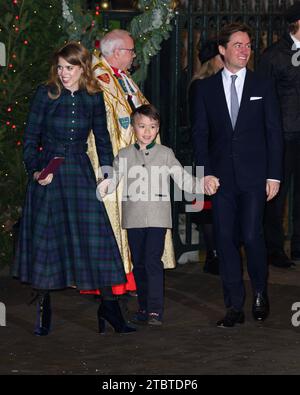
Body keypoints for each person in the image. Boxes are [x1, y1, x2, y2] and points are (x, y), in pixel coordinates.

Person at [12, 42, 136, 336]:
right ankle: (44, 307)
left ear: (83, 68)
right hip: (50, 170)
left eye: (69, 68)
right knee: (47, 239)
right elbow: (30, 139)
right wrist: (36, 170)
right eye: (60, 68)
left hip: (80, 169)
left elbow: (103, 138)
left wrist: (106, 173)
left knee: (97, 239)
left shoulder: (93, 97)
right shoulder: (46, 94)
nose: (63, 73)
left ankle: (109, 307)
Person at [191, 23, 283, 327]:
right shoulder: (205, 89)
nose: (245, 51)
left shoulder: (263, 85)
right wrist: (204, 173)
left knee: (251, 235)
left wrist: (274, 175)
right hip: (221, 179)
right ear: (222, 50)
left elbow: (274, 132)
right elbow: (200, 134)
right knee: (225, 239)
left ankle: (259, 291)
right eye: (238, 45)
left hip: (256, 176)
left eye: (248, 45)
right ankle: (233, 305)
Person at [98, 104, 217, 325]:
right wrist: (104, 184)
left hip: (157, 217)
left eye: (152, 126)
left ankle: (155, 310)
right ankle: (143, 308)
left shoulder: (165, 154)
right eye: (142, 126)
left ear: (158, 128)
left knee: (152, 260)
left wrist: (203, 184)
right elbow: (112, 178)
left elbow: (182, 178)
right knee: (139, 263)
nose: (147, 131)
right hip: (133, 218)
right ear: (133, 128)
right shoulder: (124, 155)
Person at [86, 29, 176, 297]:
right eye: (131, 51)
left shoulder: (122, 78)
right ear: (116, 53)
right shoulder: (99, 79)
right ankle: (115, 280)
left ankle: (136, 279)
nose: (134, 55)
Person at [257, 2, 300, 268]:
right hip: (283, 136)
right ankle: (274, 249)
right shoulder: (274, 55)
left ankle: (298, 247)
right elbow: (263, 99)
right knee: (277, 195)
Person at [189, 39, 224, 275]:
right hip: (207, 153)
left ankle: (218, 252)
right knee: (208, 208)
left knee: (217, 206)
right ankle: (213, 254)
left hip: (218, 152)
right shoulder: (201, 86)